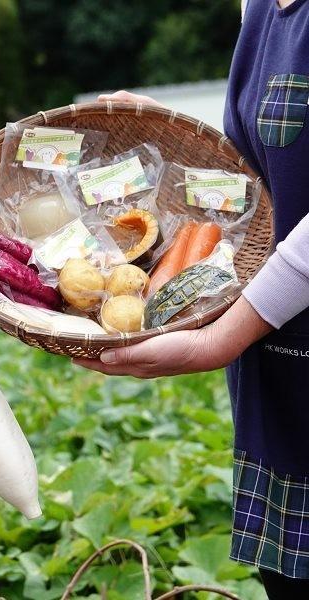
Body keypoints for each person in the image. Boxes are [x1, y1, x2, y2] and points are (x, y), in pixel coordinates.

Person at [81, 1, 309, 598]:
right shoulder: (258, 5)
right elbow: (258, 181)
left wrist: (217, 338)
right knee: (288, 578)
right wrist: (180, 139)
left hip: (257, 329)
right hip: (277, 357)